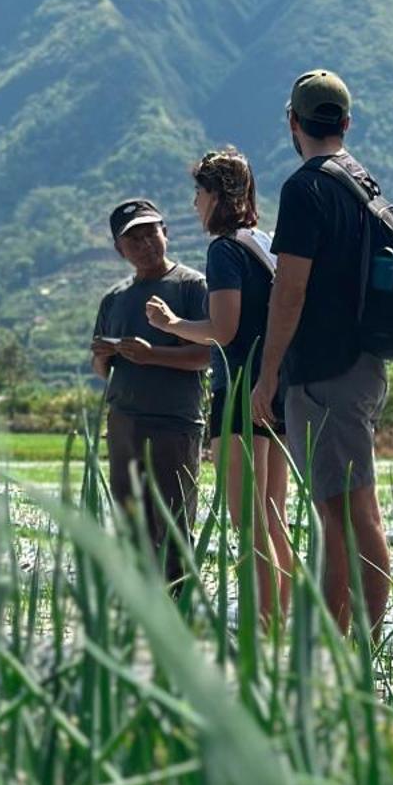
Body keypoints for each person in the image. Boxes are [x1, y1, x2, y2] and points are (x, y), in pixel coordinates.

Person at [252, 71, 392, 637]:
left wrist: (267, 378)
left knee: (342, 513)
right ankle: (353, 638)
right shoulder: (364, 183)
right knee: (351, 507)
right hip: (362, 364)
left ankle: (346, 640)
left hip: (324, 369)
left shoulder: (306, 188)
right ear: (346, 122)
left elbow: (290, 290)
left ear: (293, 122)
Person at [145, 148, 293, 627]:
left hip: (238, 393)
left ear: (216, 196)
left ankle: (263, 628)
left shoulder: (225, 251)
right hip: (274, 390)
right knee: (275, 518)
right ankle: (282, 623)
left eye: (199, 193)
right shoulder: (263, 242)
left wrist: (173, 323)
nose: (194, 204)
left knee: (246, 521)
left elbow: (223, 329)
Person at [91, 199, 212, 590]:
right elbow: (103, 371)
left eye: (151, 233)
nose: (145, 244)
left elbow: (205, 356)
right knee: (132, 529)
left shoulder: (191, 286)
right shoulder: (113, 299)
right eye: (134, 239)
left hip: (173, 423)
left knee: (174, 528)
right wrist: (103, 356)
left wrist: (152, 354)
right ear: (119, 249)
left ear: (166, 232)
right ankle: (139, 625)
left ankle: (179, 620)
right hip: (124, 421)